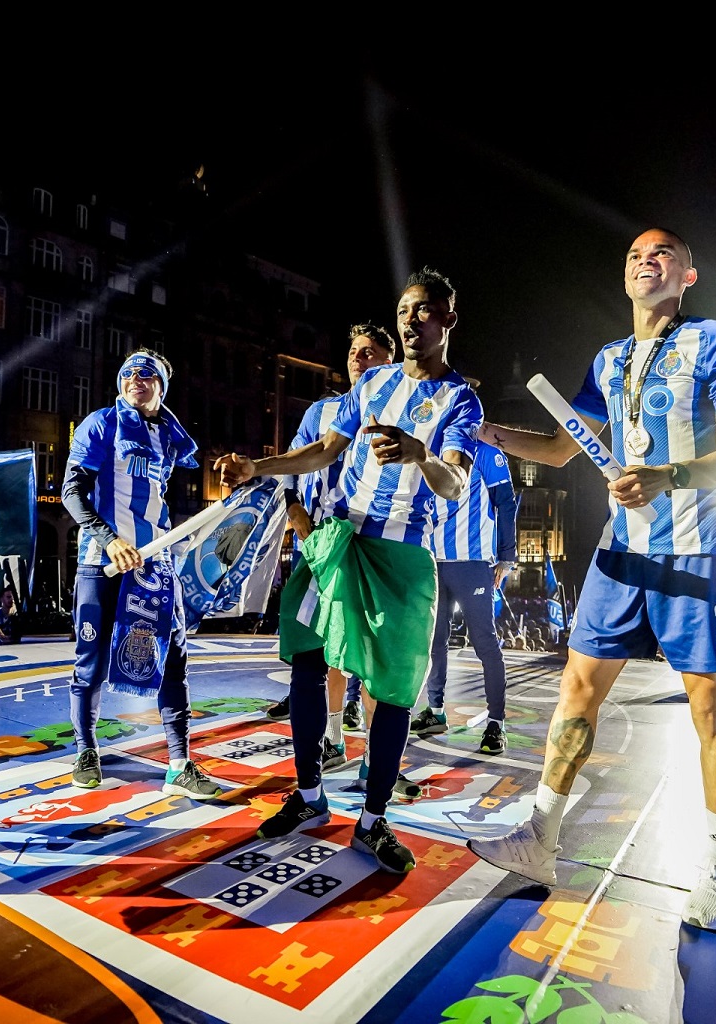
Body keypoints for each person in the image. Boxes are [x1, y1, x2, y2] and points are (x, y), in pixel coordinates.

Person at [467, 229, 716, 931]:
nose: (645, 261)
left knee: (709, 711)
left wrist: (670, 475)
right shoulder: (609, 359)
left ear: (689, 274)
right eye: (634, 255)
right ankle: (540, 837)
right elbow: (557, 449)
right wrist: (483, 432)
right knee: (576, 690)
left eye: (662, 254)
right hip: (621, 552)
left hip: (698, 551)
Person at [217, 266, 481, 874]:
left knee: (392, 690)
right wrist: (258, 467)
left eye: (424, 310)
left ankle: (373, 819)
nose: (411, 321)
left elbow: (454, 483)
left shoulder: (460, 400)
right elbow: (323, 451)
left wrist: (420, 454)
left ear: (448, 319)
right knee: (308, 663)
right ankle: (309, 794)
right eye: (404, 310)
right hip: (337, 539)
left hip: (401, 555)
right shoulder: (374, 384)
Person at [60, 348, 222, 801]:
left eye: (147, 374)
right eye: (129, 372)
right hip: (102, 561)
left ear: (161, 387)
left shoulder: (168, 435)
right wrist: (110, 538)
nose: (136, 378)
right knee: (90, 661)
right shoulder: (100, 424)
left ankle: (179, 763)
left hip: (154, 562)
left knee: (171, 660)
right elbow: (72, 492)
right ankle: (86, 750)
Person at [270, 324, 398, 772]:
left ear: (389, 361)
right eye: (354, 351)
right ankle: (333, 739)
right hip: (321, 543)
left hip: (374, 544)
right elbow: (292, 463)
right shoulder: (322, 411)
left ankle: (376, 758)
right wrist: (294, 510)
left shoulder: (400, 409)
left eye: (370, 352)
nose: (359, 358)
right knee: (323, 649)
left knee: (373, 653)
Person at [414, 379, 518, 755]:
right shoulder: (425, 449)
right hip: (431, 561)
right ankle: (435, 710)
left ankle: (496, 723)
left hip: (472, 562)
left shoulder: (486, 452)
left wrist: (506, 556)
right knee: (433, 641)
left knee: (484, 641)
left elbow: (506, 502)